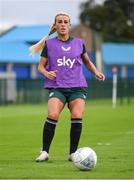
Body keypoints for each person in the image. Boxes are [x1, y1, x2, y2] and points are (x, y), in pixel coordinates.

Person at [29, 12, 105, 162]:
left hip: (77, 88)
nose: (63, 24)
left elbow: (87, 62)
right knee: (52, 115)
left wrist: (96, 71)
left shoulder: (79, 43)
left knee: (77, 116)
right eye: (60, 22)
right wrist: (46, 73)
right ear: (55, 25)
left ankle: (73, 153)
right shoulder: (49, 44)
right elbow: (40, 67)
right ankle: (44, 152)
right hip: (57, 88)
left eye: (65, 22)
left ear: (69, 25)